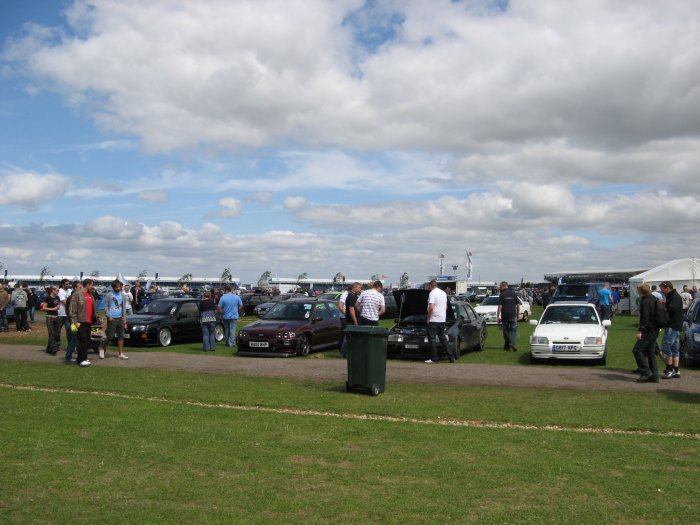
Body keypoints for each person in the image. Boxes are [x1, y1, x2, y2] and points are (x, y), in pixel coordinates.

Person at [633, 283, 660, 383]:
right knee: (651, 353)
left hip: (648, 330)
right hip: (655, 329)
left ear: (640, 291)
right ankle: (655, 375)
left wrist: (640, 331)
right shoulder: (653, 299)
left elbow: (645, 318)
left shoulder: (645, 302)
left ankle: (646, 372)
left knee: (637, 350)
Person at [68, 279, 99, 367]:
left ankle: (83, 358)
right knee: (82, 340)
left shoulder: (91, 295)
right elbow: (72, 309)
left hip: (89, 321)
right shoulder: (77, 294)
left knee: (86, 340)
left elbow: (94, 308)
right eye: (91, 285)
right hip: (79, 321)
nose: (92, 287)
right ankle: (81, 359)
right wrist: (74, 322)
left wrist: (97, 317)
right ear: (87, 285)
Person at [425, 280, 456, 364]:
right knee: (443, 339)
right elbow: (446, 307)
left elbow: (431, 307)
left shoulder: (432, 293)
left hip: (434, 320)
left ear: (431, 286)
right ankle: (451, 357)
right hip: (442, 319)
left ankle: (434, 358)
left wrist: (428, 318)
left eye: (428, 286)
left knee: (432, 339)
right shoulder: (443, 293)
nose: (428, 288)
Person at [659, 281, 683, 379]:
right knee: (674, 349)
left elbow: (672, 309)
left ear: (667, 288)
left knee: (666, 348)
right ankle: (676, 370)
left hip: (672, 326)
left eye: (663, 289)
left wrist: (663, 307)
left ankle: (670, 369)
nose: (662, 291)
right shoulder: (674, 296)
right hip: (676, 326)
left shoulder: (674, 297)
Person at [103, 279, 129, 360]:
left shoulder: (123, 295)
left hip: (120, 318)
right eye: (117, 287)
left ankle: (120, 353)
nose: (119, 288)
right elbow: (106, 306)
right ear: (113, 287)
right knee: (110, 336)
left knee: (121, 336)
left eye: (120, 287)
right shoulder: (109, 295)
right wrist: (108, 316)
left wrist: (124, 318)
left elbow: (124, 307)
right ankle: (102, 348)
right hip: (112, 318)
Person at [340, 282, 361, 358]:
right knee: (348, 337)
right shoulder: (351, 296)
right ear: (354, 288)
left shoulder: (353, 295)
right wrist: (355, 320)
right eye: (359, 288)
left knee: (349, 337)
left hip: (350, 319)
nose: (360, 289)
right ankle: (343, 353)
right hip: (351, 320)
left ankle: (345, 353)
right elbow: (351, 309)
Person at [497, 281, 519, 351]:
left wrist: (498, 316)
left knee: (506, 331)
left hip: (505, 315)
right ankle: (511, 343)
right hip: (513, 314)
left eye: (500, 286)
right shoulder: (514, 293)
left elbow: (500, 306)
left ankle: (507, 345)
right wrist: (518, 314)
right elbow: (518, 305)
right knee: (513, 330)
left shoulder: (502, 294)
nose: (500, 288)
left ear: (504, 286)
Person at [41, 286, 62, 355]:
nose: (58, 292)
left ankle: (49, 348)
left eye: (58, 291)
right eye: (57, 290)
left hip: (56, 316)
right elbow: (44, 308)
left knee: (56, 333)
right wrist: (53, 309)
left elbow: (58, 304)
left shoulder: (57, 298)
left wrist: (58, 307)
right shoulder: (48, 298)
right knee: (51, 333)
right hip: (50, 317)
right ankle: (53, 349)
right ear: (53, 290)